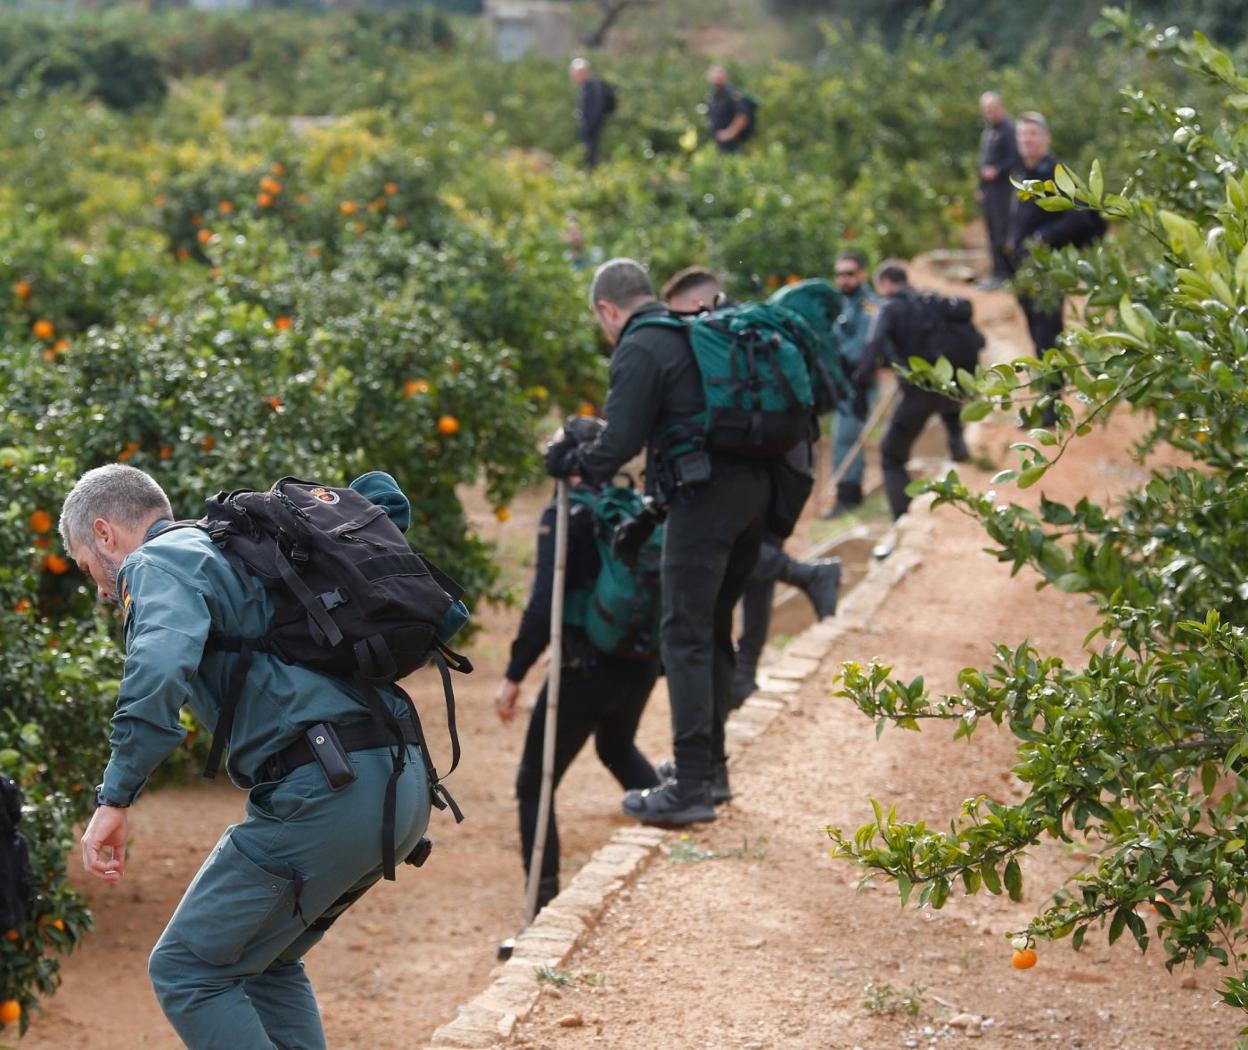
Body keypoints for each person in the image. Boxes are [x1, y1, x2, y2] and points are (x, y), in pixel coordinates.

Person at [65, 464, 432, 1050]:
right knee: (262, 964)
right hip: (398, 778)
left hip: (330, 788)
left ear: (105, 534)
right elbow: (384, 501)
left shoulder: (155, 565)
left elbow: (157, 671)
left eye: (89, 569)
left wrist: (115, 798)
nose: (104, 592)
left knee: (187, 971)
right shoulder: (234, 549)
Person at [545, 258, 771, 825]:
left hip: (704, 499)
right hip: (751, 492)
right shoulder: (687, 329)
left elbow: (617, 442)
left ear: (608, 310)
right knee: (713, 627)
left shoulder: (640, 345)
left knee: (683, 635)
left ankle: (692, 786)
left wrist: (571, 458)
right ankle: (711, 772)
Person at [495, 432, 661, 912]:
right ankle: (670, 834)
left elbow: (544, 598)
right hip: (641, 662)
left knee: (534, 784)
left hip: (587, 667)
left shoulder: (567, 514)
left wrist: (513, 673)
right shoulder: (631, 507)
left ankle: (540, 906)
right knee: (616, 746)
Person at [661, 265, 841, 704]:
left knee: (747, 554)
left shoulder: (721, 337)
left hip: (769, 463)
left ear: (699, 302)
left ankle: (809, 575)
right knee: (758, 567)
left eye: (679, 313)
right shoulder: (759, 329)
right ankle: (746, 673)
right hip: (793, 459)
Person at [1008, 111, 1107, 424]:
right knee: (1037, 338)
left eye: (1032, 134)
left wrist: (1043, 238)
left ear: (1046, 138)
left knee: (1048, 336)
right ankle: (1045, 404)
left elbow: (1079, 216)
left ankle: (1051, 409)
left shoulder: (1055, 173)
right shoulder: (1025, 172)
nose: (1027, 140)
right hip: (1024, 271)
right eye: (1022, 135)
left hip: (1047, 270)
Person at [853, 261, 973, 520]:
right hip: (947, 382)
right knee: (948, 414)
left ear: (884, 283)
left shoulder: (889, 307)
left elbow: (874, 343)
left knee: (890, 454)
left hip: (919, 389)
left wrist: (861, 382)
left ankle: (902, 515)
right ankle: (959, 449)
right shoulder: (929, 300)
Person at [826, 250, 879, 516]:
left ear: (862, 274)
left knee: (847, 438)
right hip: (843, 382)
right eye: (839, 274)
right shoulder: (839, 303)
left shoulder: (868, 305)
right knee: (843, 438)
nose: (844, 279)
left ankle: (848, 497)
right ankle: (848, 495)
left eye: (849, 273)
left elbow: (861, 347)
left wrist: (836, 353)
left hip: (859, 382)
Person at [977, 92, 1022, 288]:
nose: (990, 113)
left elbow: (1016, 158)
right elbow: (983, 162)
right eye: (987, 109)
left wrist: (998, 171)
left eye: (993, 108)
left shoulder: (1009, 130)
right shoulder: (988, 132)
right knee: (992, 232)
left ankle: (1009, 273)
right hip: (990, 192)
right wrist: (981, 187)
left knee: (1004, 231)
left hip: (1006, 189)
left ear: (1001, 107)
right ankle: (997, 273)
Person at [569, 57, 612, 169]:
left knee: (591, 152)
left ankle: (591, 173)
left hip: (592, 126)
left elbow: (596, 108)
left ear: (582, 72)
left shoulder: (593, 85)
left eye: (575, 73)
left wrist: (589, 125)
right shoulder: (586, 85)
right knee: (586, 151)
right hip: (588, 125)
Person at [706, 65, 755, 154]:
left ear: (725, 78)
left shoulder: (732, 95)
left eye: (719, 77)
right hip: (720, 144)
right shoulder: (714, 96)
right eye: (715, 77)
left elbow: (743, 115)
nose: (717, 79)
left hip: (733, 144)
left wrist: (729, 133)